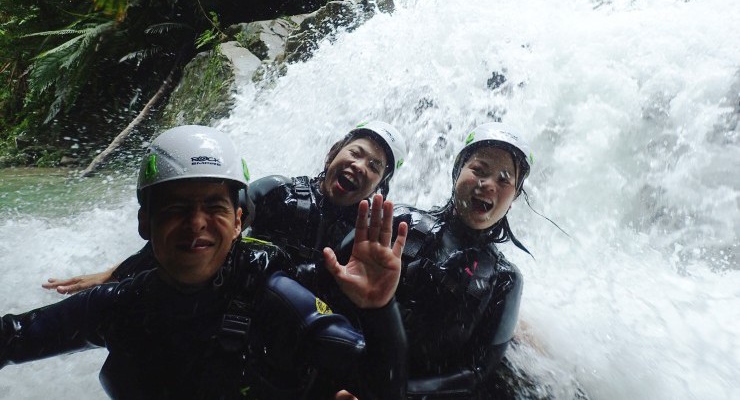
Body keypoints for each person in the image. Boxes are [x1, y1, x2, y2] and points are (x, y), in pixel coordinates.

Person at [2, 125, 409, 399]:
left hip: (293, 344)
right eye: (177, 208)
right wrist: (114, 273)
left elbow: (381, 381)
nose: (196, 223)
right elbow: (17, 335)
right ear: (146, 222)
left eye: (213, 206)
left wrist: (379, 307)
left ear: (235, 222)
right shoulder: (123, 303)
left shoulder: (280, 296)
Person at [42, 121, 407, 294]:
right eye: (355, 153)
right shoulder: (277, 192)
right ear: (333, 154)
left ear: (381, 185)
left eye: (374, 166)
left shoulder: (370, 237)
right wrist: (115, 273)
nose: (360, 166)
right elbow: (196, 232)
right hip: (233, 305)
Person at [388, 122, 532, 399]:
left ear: (512, 199)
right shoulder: (399, 221)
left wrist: (396, 393)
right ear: (456, 173)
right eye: (479, 170)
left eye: (504, 180)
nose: (488, 184)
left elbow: (476, 372)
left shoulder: (505, 279)